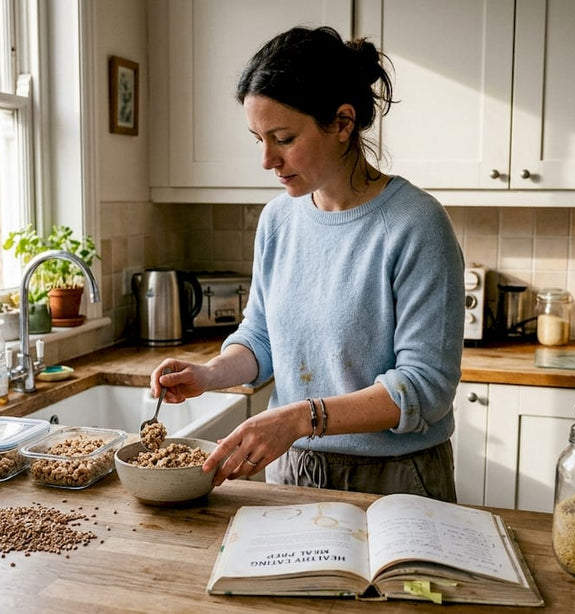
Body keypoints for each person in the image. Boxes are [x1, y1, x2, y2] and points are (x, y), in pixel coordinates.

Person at [150, 25, 465, 502]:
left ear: (342, 123)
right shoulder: (278, 219)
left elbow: (424, 388)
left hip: (397, 479)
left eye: (283, 138)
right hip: (296, 468)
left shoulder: (416, 224)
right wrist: (208, 374)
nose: (267, 160)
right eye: (257, 138)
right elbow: (261, 338)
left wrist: (300, 417)